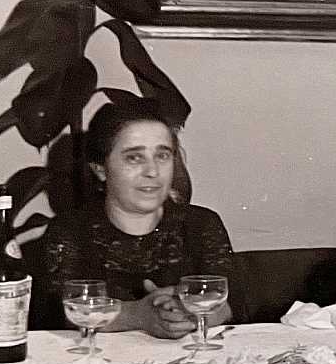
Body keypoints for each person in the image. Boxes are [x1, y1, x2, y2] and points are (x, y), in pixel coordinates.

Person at [38, 97, 236, 337]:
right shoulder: (70, 230)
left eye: (162, 156)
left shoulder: (201, 224)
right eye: (134, 157)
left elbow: (228, 306)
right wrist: (139, 315)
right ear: (100, 169)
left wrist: (186, 311)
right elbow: (64, 315)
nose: (152, 171)